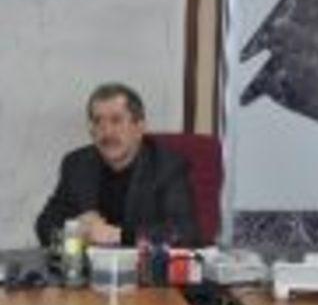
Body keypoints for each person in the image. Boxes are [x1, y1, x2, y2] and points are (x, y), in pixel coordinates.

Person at [35, 82, 200, 247]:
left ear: (139, 128)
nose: (107, 132)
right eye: (98, 121)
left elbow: (184, 232)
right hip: (88, 263)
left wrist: (118, 235)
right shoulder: (77, 165)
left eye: (116, 120)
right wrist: (75, 228)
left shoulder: (167, 167)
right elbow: (44, 225)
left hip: (141, 263)